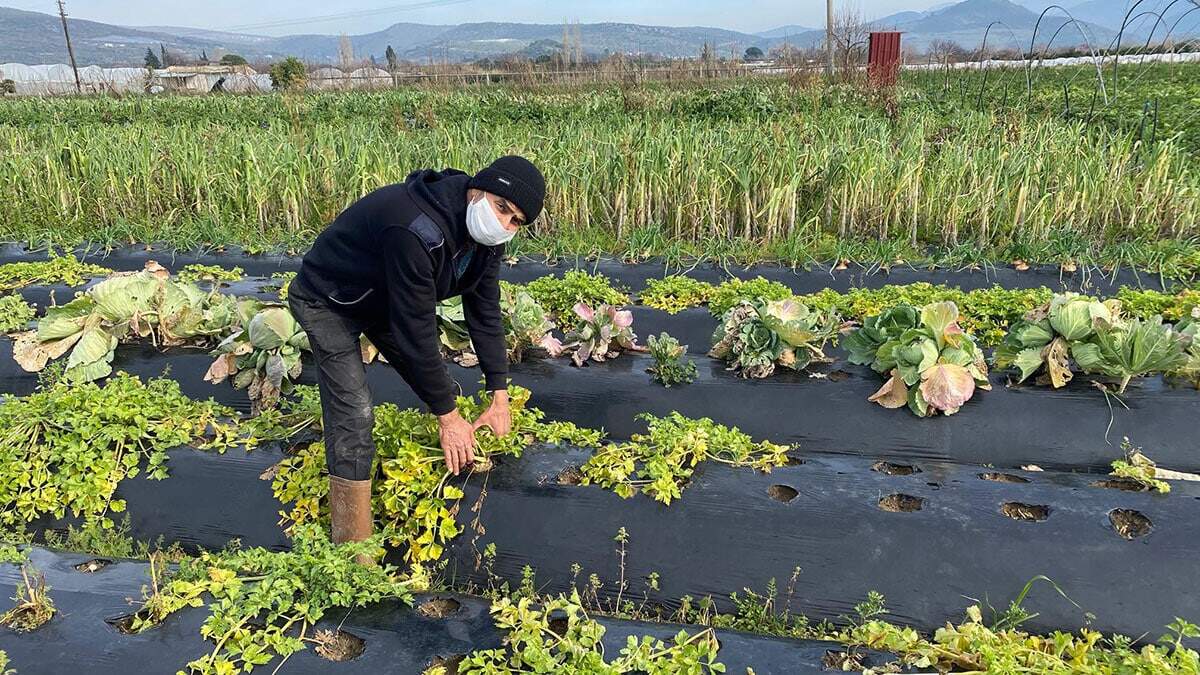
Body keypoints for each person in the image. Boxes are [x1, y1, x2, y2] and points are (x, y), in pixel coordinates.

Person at [288, 155, 545, 553]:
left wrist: (499, 394)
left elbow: (485, 310)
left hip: (383, 299)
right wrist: (449, 419)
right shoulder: (414, 228)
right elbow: (416, 329)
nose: (505, 225)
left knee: (442, 387)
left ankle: (447, 446)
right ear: (477, 189)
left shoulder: (486, 241)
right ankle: (351, 545)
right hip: (329, 298)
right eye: (502, 208)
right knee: (354, 413)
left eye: (516, 222)